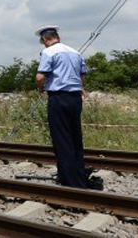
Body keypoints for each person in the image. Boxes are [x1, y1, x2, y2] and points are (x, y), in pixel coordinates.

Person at [35, 26, 87, 188]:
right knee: (75, 137)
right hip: (75, 98)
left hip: (58, 98)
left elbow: (39, 76)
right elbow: (83, 75)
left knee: (62, 139)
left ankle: (69, 181)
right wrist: (79, 86)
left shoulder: (49, 52)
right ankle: (80, 176)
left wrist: (41, 88)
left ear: (45, 40)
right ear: (58, 36)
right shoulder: (75, 52)